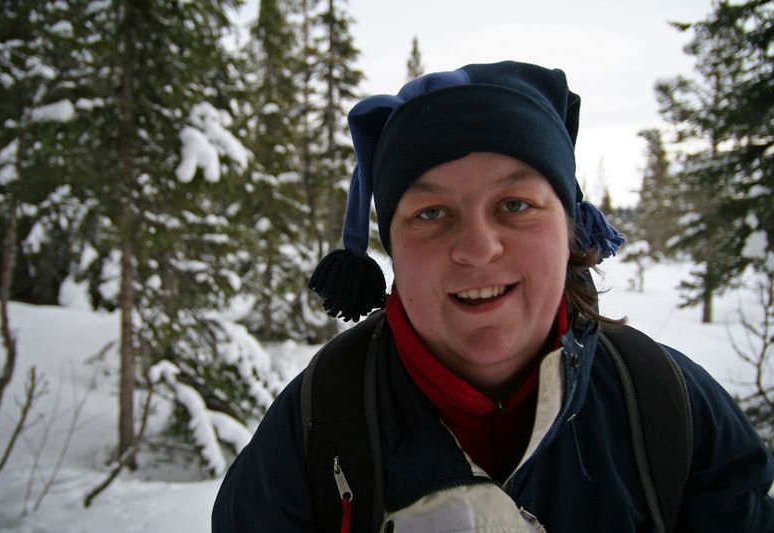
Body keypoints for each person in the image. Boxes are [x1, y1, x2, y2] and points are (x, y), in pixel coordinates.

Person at [212, 60, 774, 532]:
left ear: (570, 229)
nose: (478, 248)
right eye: (431, 213)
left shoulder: (667, 406)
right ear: (393, 248)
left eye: (515, 205)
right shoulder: (316, 425)